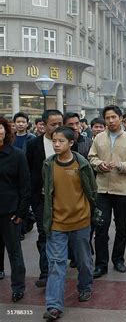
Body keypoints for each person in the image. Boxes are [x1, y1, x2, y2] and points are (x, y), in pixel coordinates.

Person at [42, 126, 97, 320]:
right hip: (56, 223)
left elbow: (92, 190)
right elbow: (47, 194)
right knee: (56, 264)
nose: (56, 144)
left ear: (71, 143)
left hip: (81, 221)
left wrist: (91, 212)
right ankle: (54, 305)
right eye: (54, 141)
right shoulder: (48, 165)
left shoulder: (81, 164)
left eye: (61, 141)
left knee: (83, 261)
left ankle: (85, 287)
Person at [88, 105, 126, 278]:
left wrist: (121, 166)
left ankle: (118, 260)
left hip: (122, 189)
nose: (111, 121)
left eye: (114, 117)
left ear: (120, 118)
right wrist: (99, 164)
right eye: (108, 118)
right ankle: (101, 264)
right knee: (101, 228)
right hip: (102, 189)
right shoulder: (98, 138)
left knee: (121, 227)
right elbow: (91, 157)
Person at [26, 109, 63, 288]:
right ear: (43, 125)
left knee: (63, 235)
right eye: (53, 124)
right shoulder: (34, 145)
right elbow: (29, 172)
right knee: (44, 234)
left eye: (60, 124)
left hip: (65, 199)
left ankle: (61, 268)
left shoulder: (68, 142)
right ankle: (45, 272)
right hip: (41, 199)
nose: (57, 127)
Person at [0, 117, 29, 303]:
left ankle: (18, 287)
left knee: (14, 251)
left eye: (0, 129)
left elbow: (25, 186)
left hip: (9, 211)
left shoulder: (17, 155)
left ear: (5, 131)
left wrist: (21, 213)